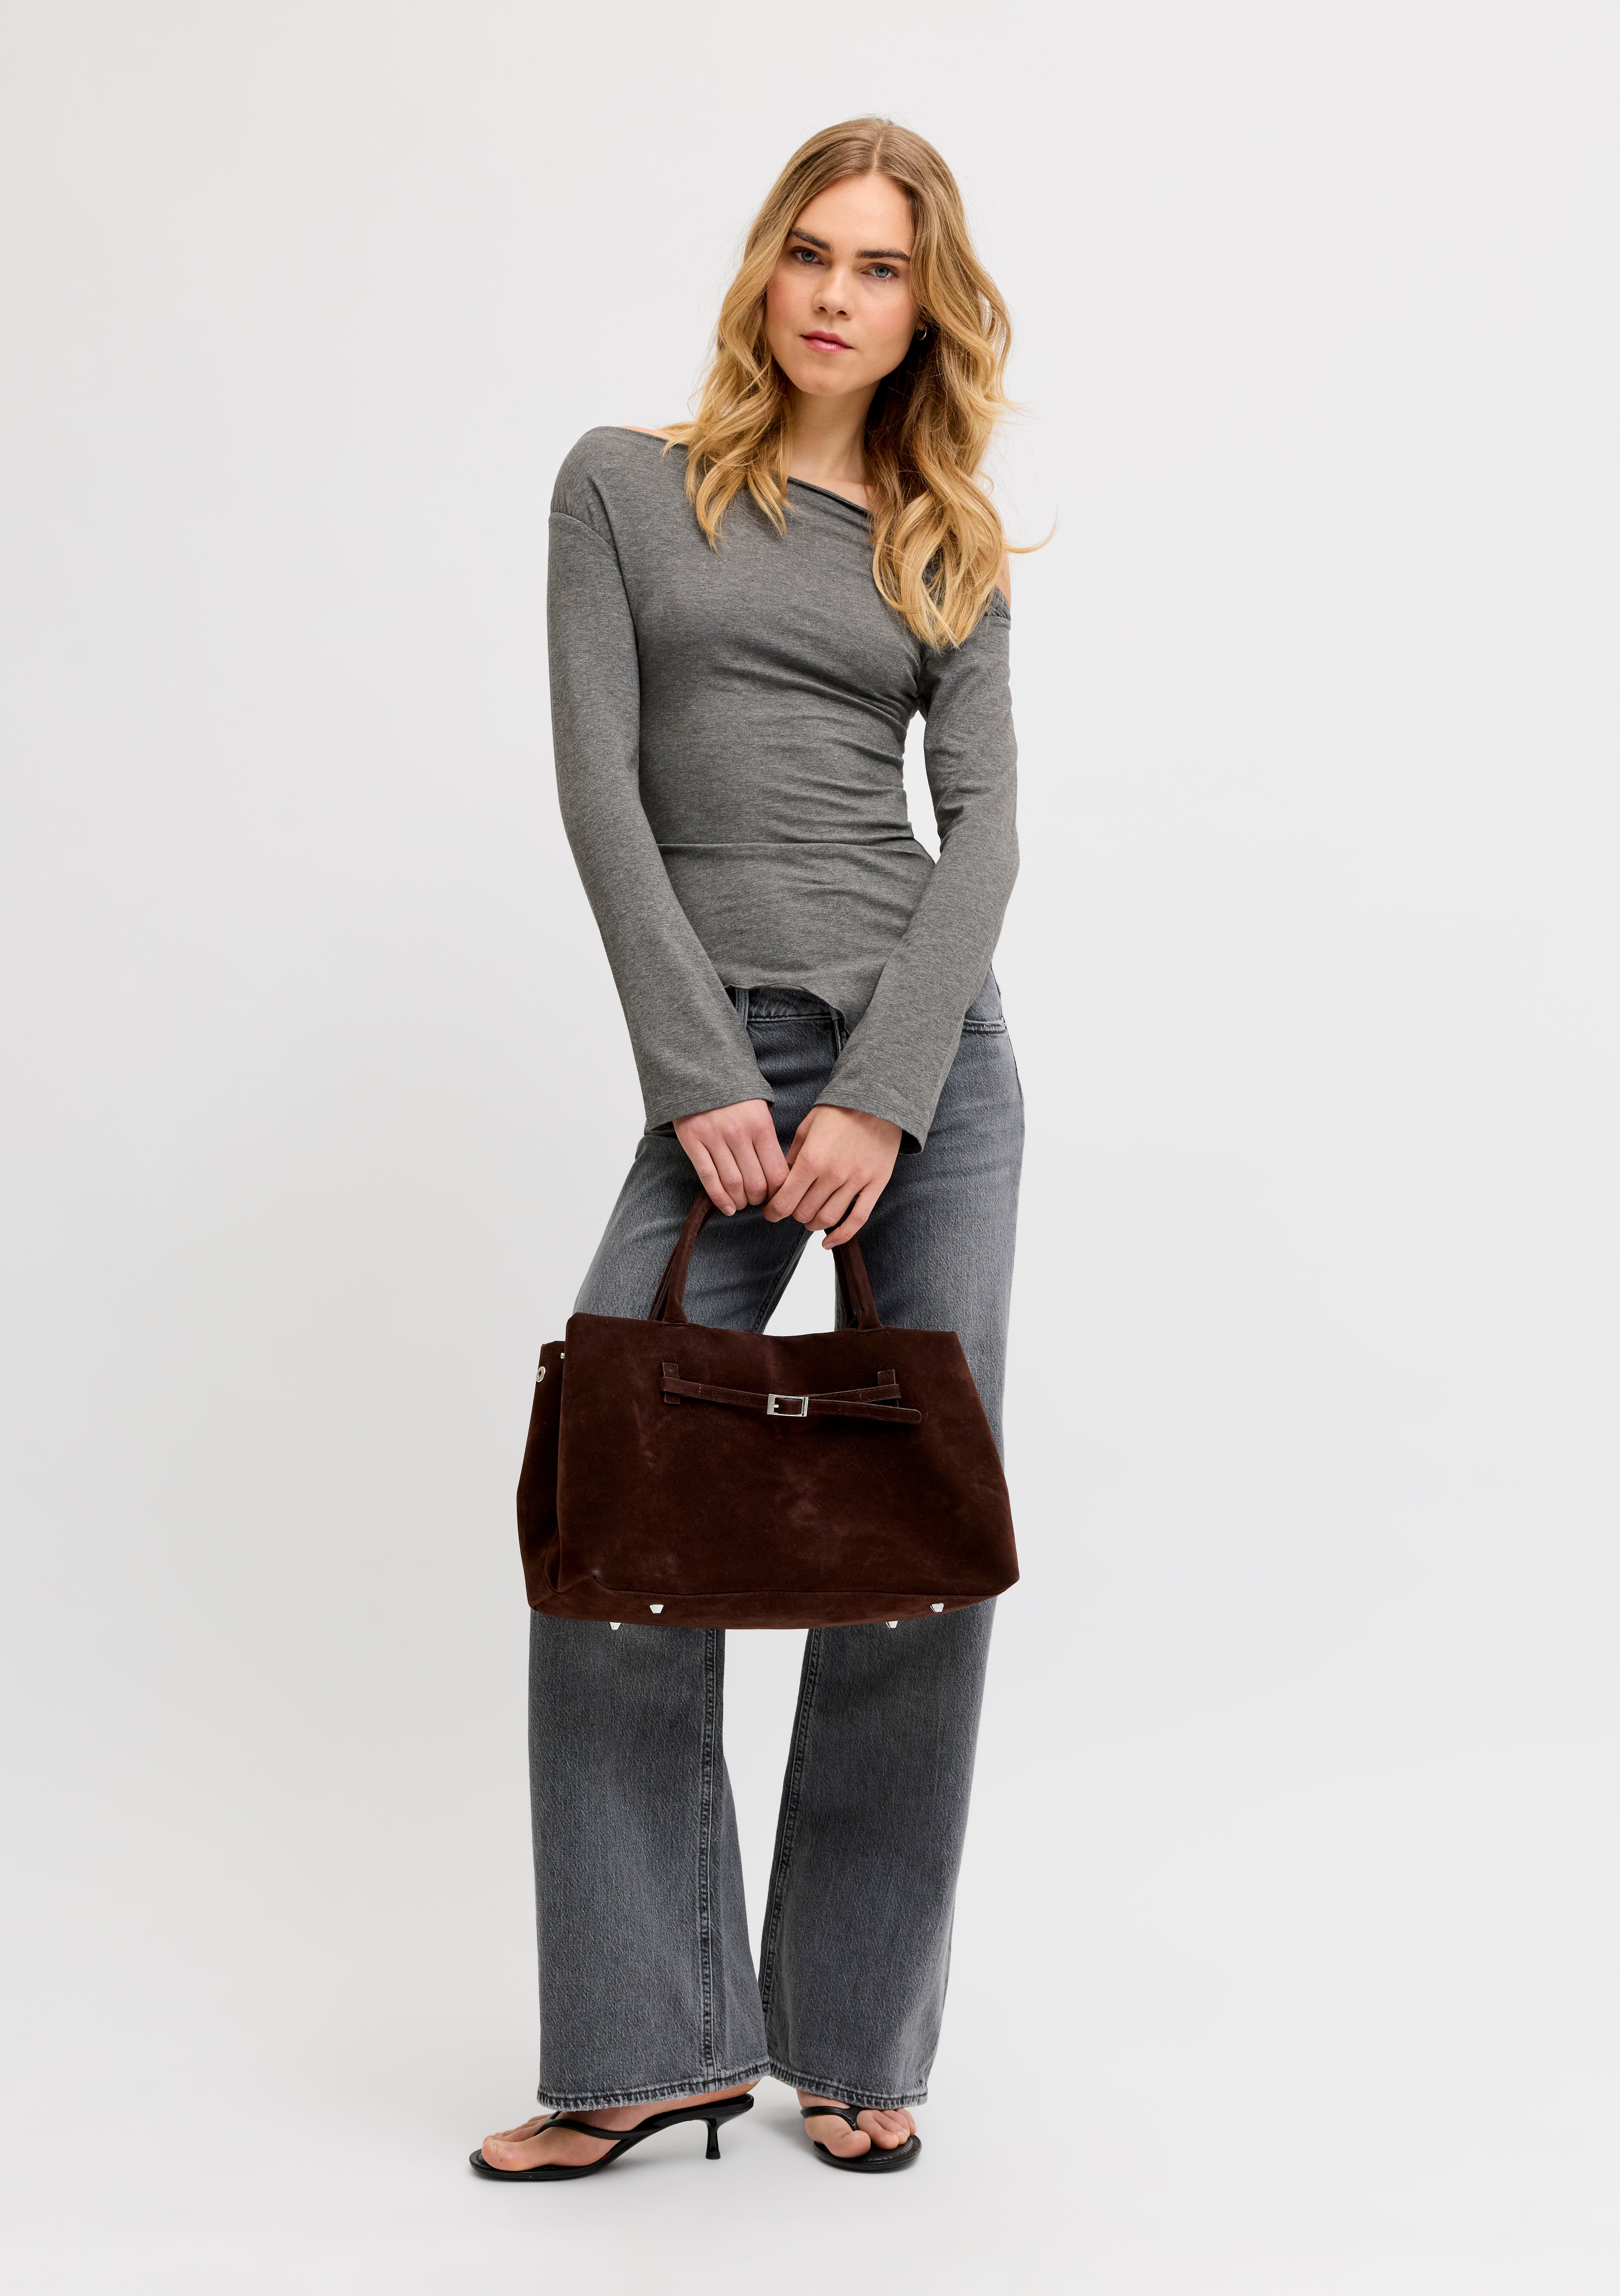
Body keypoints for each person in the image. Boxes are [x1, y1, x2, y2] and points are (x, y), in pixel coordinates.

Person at [475, 116, 1026, 2182]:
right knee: (616, 1521)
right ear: (763, 268)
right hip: (719, 1057)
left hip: (928, 1069)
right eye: (812, 250)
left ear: (924, 310)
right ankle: (645, 2040)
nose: (835, 294)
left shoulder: (945, 538)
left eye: (881, 267)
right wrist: (699, 1065)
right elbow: (599, 786)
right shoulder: (624, 487)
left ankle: (857, 2037)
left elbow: (987, 832)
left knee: (915, 1545)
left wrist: (884, 1088)